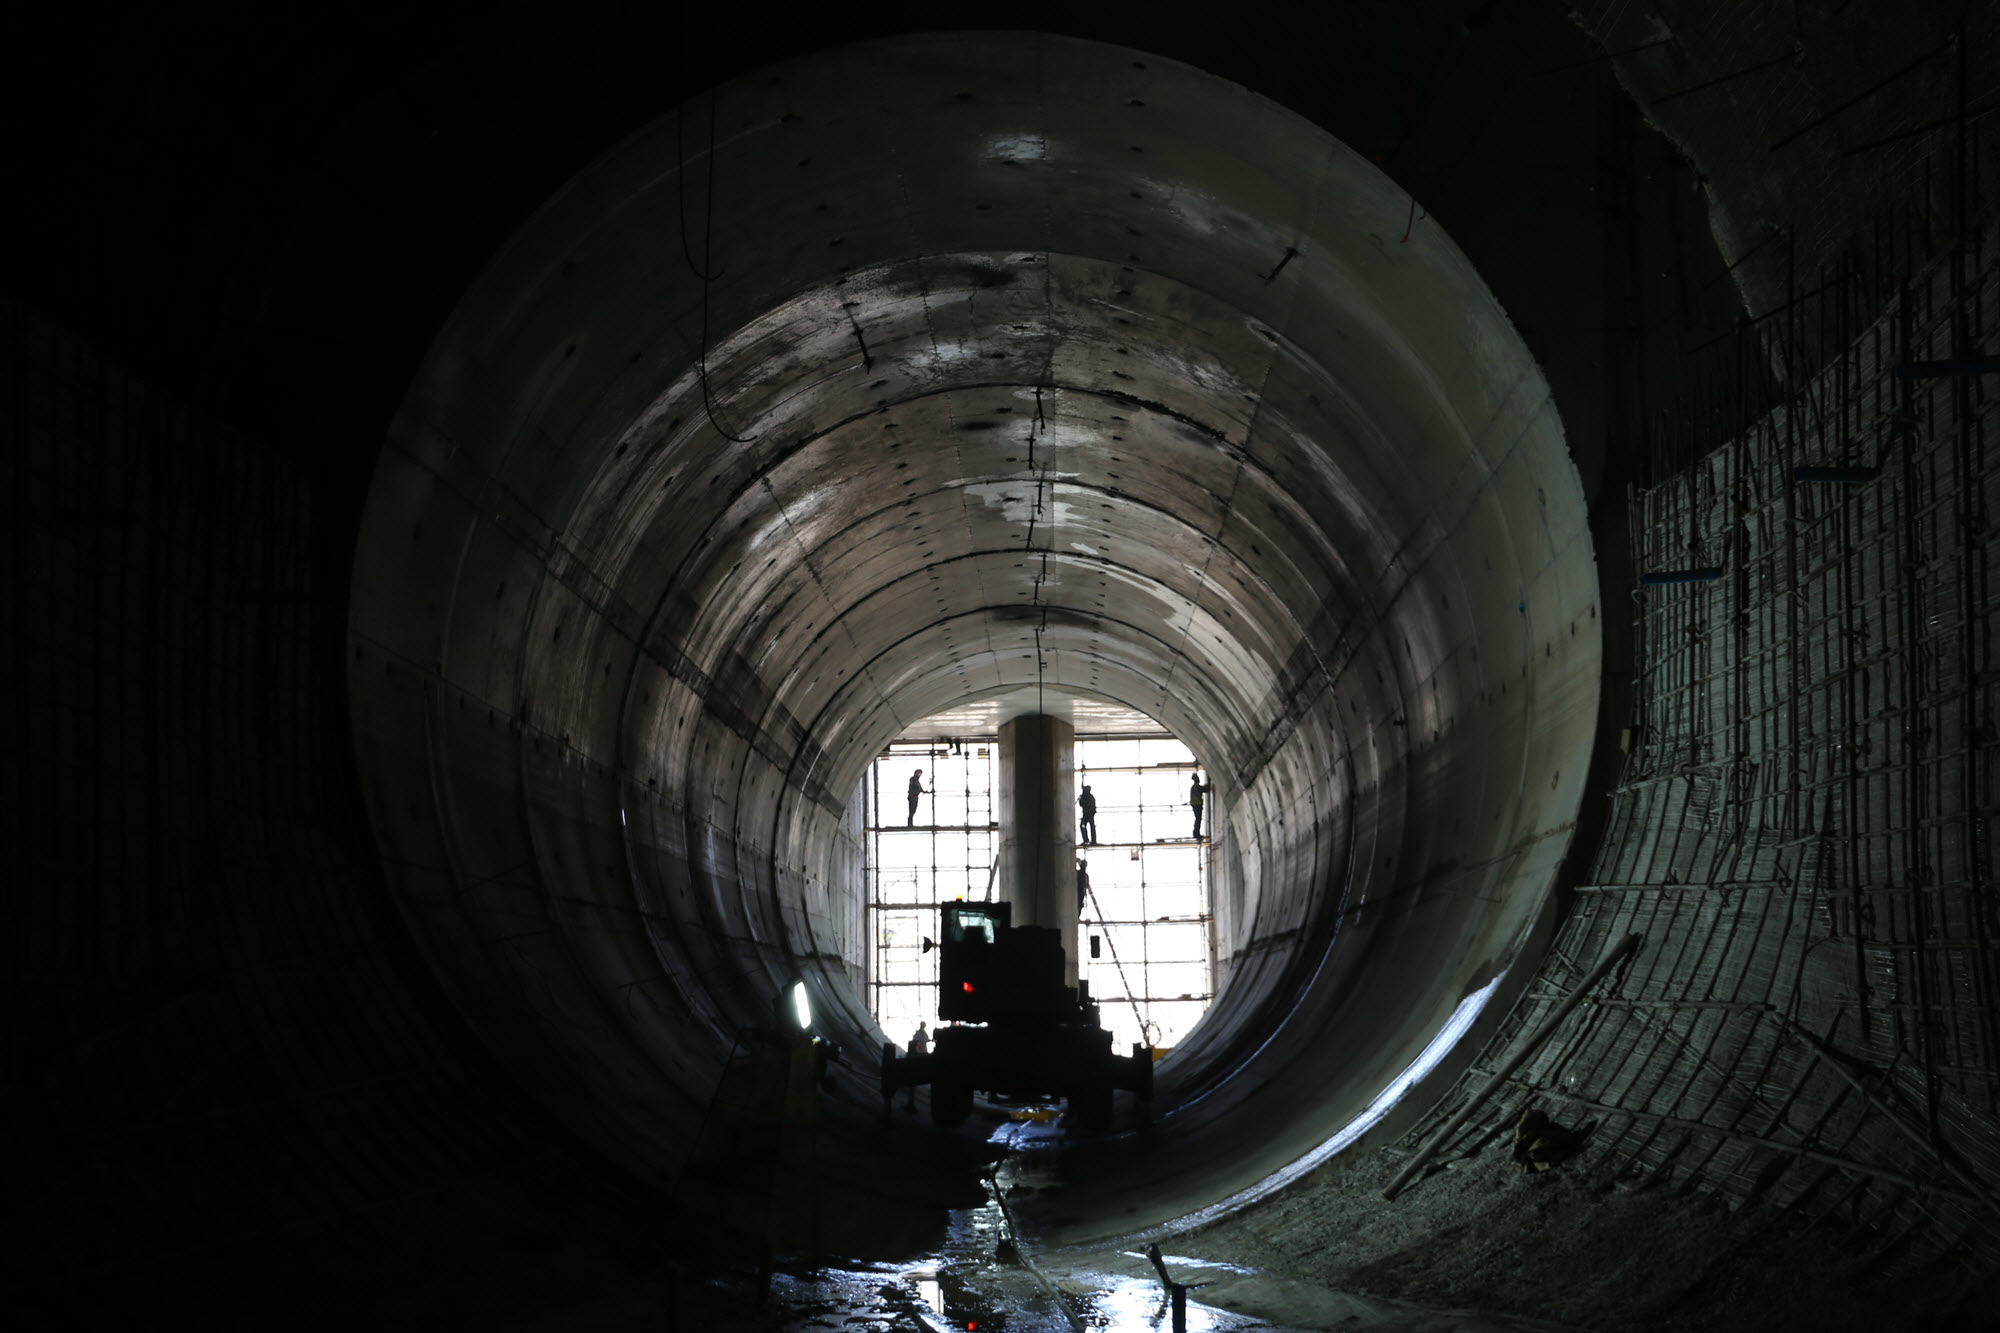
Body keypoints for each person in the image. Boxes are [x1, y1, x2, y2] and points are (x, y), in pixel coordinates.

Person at [905, 1022, 929, 1110]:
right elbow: (919, 1042)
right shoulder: (919, 1034)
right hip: (919, 1054)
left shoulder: (922, 1033)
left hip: (921, 1053)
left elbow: (925, 1040)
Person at [1189, 772, 1210, 839]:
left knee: (1197, 819)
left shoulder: (1193, 787)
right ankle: (1196, 833)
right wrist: (1208, 784)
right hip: (1197, 804)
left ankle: (1196, 833)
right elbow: (1205, 790)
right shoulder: (1196, 786)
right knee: (1198, 819)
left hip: (1195, 804)